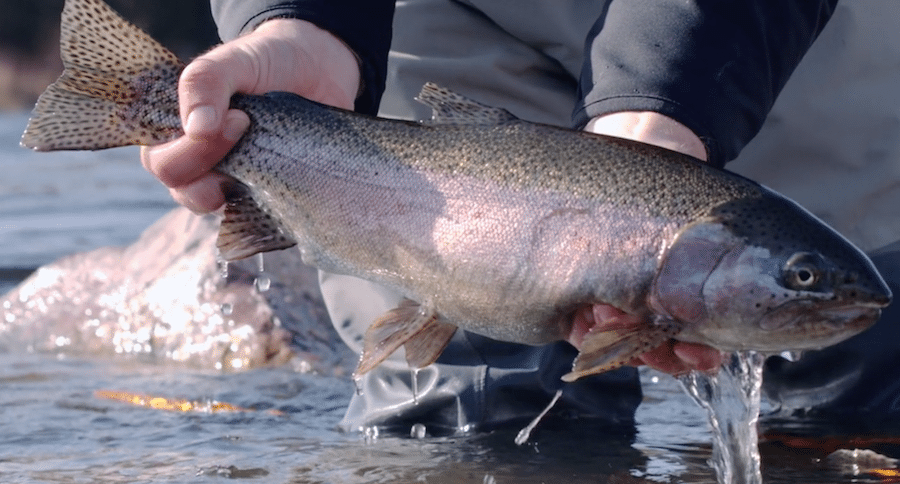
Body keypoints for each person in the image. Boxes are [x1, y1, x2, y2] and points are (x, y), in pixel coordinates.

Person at [141, 0, 881, 433]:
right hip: (429, 15)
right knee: (464, 418)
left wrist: (669, 112)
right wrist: (300, 21)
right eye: (801, 276)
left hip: (747, 32)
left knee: (851, 403)